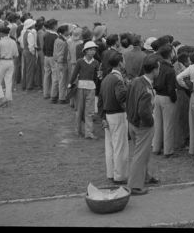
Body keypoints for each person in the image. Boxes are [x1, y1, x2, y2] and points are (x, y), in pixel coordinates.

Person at [126, 54, 161, 195]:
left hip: (132, 122)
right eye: (158, 68)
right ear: (154, 70)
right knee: (140, 155)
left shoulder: (136, 81)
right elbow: (144, 112)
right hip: (143, 126)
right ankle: (134, 186)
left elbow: (128, 100)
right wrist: (151, 122)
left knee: (141, 153)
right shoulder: (146, 90)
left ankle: (145, 176)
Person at [98, 51, 129, 185]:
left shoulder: (106, 78)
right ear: (120, 63)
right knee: (119, 147)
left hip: (108, 115)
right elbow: (121, 96)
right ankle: (120, 176)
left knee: (110, 147)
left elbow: (100, 100)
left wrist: (102, 117)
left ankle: (111, 173)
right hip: (117, 115)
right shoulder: (118, 79)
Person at [69, 41, 100, 139]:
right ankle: (78, 130)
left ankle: (88, 132)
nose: (93, 51)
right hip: (80, 88)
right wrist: (70, 83)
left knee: (89, 111)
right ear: (86, 51)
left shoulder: (96, 63)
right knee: (79, 110)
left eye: (94, 50)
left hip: (91, 88)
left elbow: (97, 77)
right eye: (91, 50)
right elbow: (74, 73)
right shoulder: (79, 62)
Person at [152, 45, 178, 158]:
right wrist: (174, 98)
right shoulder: (170, 70)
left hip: (157, 96)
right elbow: (171, 88)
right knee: (168, 125)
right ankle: (168, 150)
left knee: (158, 124)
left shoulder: (158, 66)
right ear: (170, 54)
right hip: (167, 98)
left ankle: (156, 147)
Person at [0, 25, 18, 109]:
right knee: (8, 81)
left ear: (1, 33)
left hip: (1, 62)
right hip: (10, 61)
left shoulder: (0, 42)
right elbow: (16, 54)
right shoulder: (13, 41)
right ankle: (8, 100)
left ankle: (2, 98)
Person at [51, 24, 70, 104]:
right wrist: (61, 64)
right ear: (65, 32)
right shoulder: (63, 42)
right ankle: (62, 98)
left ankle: (54, 96)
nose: (69, 31)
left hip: (56, 62)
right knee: (62, 81)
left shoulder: (57, 39)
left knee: (55, 80)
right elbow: (61, 54)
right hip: (61, 63)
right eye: (68, 30)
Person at [42, 19, 58, 100]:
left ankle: (46, 93)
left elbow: (43, 47)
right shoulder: (55, 36)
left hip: (46, 56)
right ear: (54, 26)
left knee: (46, 75)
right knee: (54, 76)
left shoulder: (46, 34)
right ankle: (53, 94)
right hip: (52, 57)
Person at [20, 18, 38, 91]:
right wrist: (33, 54)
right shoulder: (30, 34)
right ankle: (29, 86)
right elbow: (31, 46)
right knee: (30, 69)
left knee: (25, 69)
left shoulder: (25, 32)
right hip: (29, 52)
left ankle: (24, 84)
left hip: (25, 51)